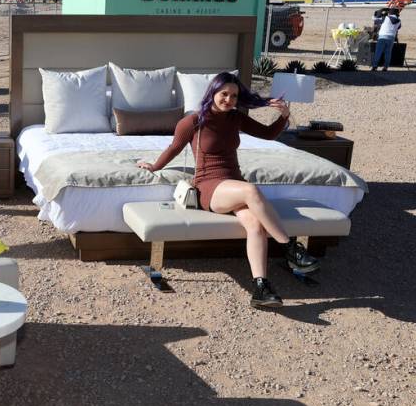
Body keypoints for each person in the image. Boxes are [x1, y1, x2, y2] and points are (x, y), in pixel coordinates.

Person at [136, 72, 319, 309]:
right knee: (251, 191)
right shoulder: (192, 122)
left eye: (234, 96)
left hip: (233, 183)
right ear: (212, 93)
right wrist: (153, 166)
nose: (229, 100)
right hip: (209, 186)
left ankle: (261, 287)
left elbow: (267, 134)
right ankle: (290, 249)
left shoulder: (235, 118)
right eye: (224, 94)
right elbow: (173, 148)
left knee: (255, 225)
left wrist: (284, 116)